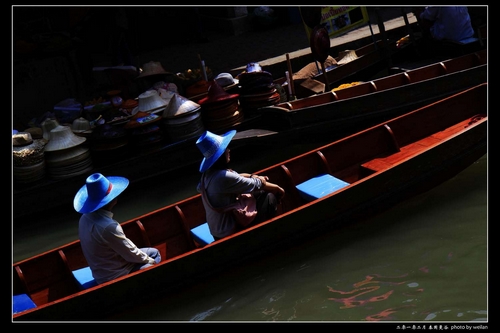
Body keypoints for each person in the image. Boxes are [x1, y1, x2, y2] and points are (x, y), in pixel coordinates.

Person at [195, 130, 285, 241]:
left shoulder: (207, 176)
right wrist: (278, 188)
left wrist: (252, 176)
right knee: (270, 197)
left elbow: (237, 177)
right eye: (225, 149)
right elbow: (257, 185)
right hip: (228, 233)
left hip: (217, 231)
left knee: (259, 193)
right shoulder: (223, 177)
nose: (228, 150)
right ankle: (270, 237)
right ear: (220, 156)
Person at [73, 173, 161, 285]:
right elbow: (130, 252)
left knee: (152, 253)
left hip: (102, 272)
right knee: (154, 256)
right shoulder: (108, 226)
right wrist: (153, 263)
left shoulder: (84, 218)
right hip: (115, 275)